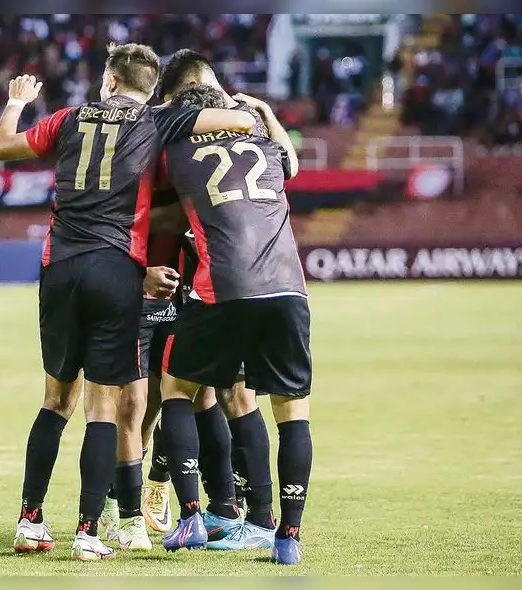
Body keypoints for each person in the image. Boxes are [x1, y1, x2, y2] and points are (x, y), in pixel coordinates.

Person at [0, 42, 256, 561]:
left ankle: (29, 521)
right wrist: (232, 100)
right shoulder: (160, 120)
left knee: (55, 401)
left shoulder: (67, 118)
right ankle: (89, 531)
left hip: (58, 266)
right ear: (151, 88)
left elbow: (1, 147)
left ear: (108, 81)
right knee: (105, 406)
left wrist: (18, 101)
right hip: (117, 270)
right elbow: (239, 124)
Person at [158, 83, 311, 565]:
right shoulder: (266, 143)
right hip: (288, 288)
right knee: (293, 412)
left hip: (221, 285)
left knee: (177, 389)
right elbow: (292, 162)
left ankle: (189, 518)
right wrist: (263, 109)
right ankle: (286, 537)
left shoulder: (176, 146)